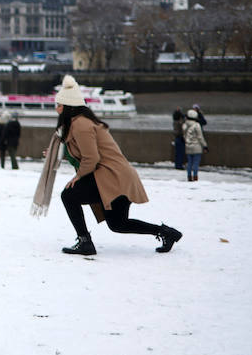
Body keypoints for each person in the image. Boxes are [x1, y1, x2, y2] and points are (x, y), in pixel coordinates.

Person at [46, 76, 182, 256]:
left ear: (68, 106)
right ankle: (166, 233)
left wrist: (78, 177)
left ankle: (85, 242)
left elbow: (91, 157)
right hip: (117, 177)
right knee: (118, 224)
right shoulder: (80, 122)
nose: (56, 109)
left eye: (58, 105)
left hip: (113, 178)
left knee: (69, 195)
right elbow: (84, 153)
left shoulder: (80, 124)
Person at [182, 109, 206, 181]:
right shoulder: (197, 125)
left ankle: (189, 177)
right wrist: (205, 145)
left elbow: (184, 136)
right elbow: (200, 137)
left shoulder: (184, 125)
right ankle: (195, 177)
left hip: (188, 146)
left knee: (189, 163)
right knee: (196, 163)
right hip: (197, 146)